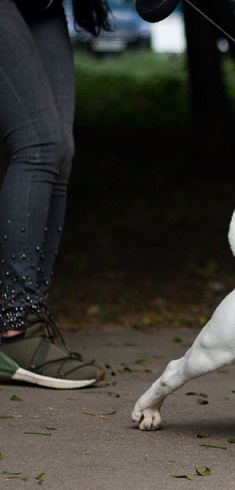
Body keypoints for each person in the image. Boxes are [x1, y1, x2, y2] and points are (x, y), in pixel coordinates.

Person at [0, 0, 110, 389]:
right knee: (40, 143)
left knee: (60, 151)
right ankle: (13, 328)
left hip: (41, 4)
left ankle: (30, 318)